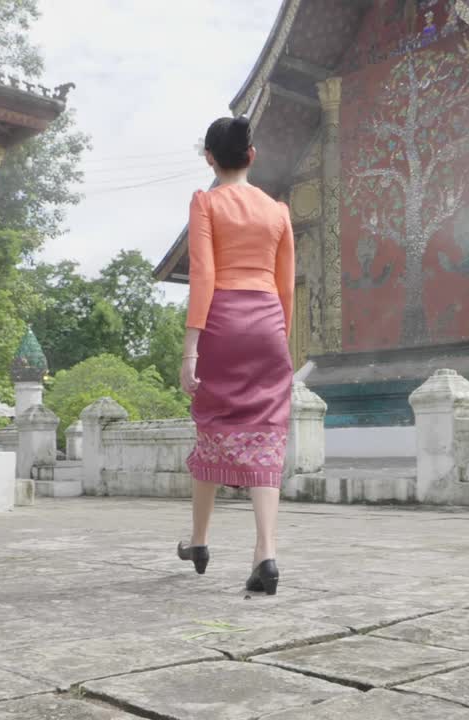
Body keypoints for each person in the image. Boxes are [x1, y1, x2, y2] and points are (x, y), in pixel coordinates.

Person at [176, 115, 295, 596]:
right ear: (251, 156)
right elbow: (286, 285)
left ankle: (200, 540)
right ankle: (266, 551)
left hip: (222, 321)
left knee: (212, 425)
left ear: (210, 158)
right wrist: (280, 337)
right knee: (267, 430)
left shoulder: (206, 202)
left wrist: (190, 350)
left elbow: (203, 275)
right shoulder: (278, 211)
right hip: (268, 322)